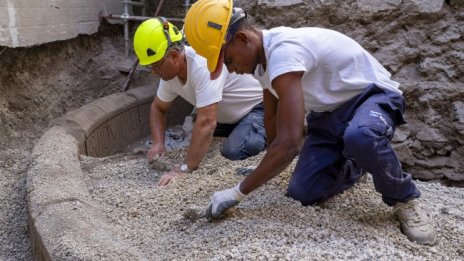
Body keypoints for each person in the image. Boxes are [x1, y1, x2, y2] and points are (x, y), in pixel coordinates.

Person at [184, 0, 436, 245]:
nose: (231, 69)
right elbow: (271, 117)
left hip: (370, 98)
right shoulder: (261, 65)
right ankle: (357, 164)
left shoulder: (284, 52)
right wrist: (267, 168)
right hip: (327, 115)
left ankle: (405, 199)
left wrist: (237, 191)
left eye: (228, 60)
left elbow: (291, 142)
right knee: (302, 193)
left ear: (241, 39)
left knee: (362, 136)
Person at [133, 17, 266, 186]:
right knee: (198, 136)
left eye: (156, 65)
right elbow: (158, 108)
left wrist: (184, 168)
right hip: (226, 119)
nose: (153, 72)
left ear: (174, 56)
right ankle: (238, 132)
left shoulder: (202, 65)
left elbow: (207, 122)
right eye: (149, 66)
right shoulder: (169, 76)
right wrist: (158, 144)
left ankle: (272, 130)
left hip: (256, 109)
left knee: (234, 151)